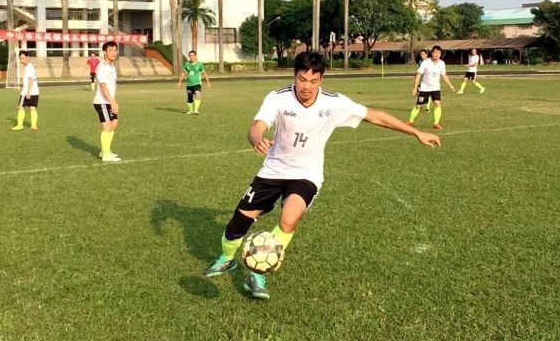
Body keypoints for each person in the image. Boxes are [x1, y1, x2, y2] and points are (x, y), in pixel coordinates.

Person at [203, 52, 441, 300]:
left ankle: (259, 271)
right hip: (273, 171)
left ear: (321, 79)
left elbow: (375, 116)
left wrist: (415, 132)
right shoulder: (278, 98)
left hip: (306, 174)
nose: (307, 86)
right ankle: (227, 259)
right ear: (294, 76)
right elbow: (257, 125)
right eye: (302, 79)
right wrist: (257, 139)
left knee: (289, 219)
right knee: (237, 226)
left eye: (313, 81)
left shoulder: (334, 103)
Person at [409, 45, 454, 129]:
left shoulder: (442, 63)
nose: (437, 54)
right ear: (432, 53)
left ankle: (436, 123)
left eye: (439, 53)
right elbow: (418, 75)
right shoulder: (426, 62)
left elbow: (444, 75)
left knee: (437, 104)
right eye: (435, 52)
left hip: (435, 88)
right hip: (424, 88)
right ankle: (410, 121)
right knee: (418, 105)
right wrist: (415, 88)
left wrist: (450, 85)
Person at [93, 41, 121, 161]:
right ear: (104, 52)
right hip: (102, 101)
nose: (114, 52)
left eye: (115, 50)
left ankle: (106, 150)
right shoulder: (102, 67)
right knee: (108, 127)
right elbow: (103, 86)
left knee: (114, 125)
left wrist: (113, 100)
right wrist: (112, 101)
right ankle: (106, 155)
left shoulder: (112, 66)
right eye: (111, 50)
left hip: (109, 101)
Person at [11, 51, 39, 131]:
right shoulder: (30, 67)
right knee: (32, 108)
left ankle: (20, 125)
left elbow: (30, 80)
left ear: (27, 57)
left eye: (23, 58)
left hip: (27, 92)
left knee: (20, 107)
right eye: (20, 58)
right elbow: (30, 79)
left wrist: (28, 92)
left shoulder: (29, 67)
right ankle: (33, 126)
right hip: (35, 92)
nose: (22, 60)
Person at [177, 50, 211, 114]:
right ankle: (191, 110)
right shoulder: (187, 64)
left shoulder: (199, 64)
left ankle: (196, 110)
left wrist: (208, 82)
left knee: (198, 95)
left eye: (193, 55)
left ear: (195, 56)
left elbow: (204, 73)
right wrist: (180, 82)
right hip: (189, 84)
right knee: (190, 98)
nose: (191, 57)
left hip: (197, 83)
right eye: (190, 55)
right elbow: (183, 73)